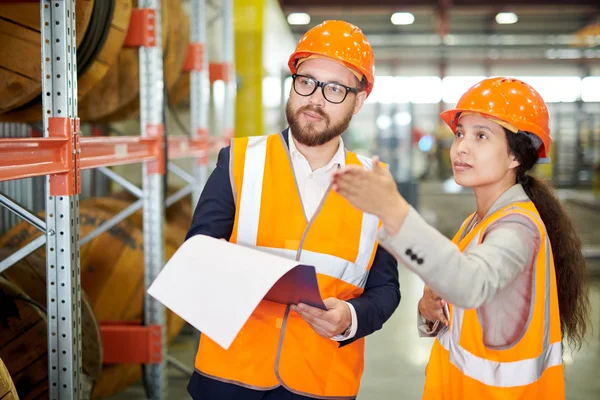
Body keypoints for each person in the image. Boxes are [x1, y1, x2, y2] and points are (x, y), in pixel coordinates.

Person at [332, 77, 590, 399]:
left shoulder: (519, 229)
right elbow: (463, 304)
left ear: (516, 156)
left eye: (481, 135)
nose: (461, 147)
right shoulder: (476, 223)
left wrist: (395, 211)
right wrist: (428, 310)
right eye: (459, 134)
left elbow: (470, 284)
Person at [185, 20, 400, 400]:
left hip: (321, 382)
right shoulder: (238, 162)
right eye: (307, 82)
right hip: (229, 379)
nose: (315, 99)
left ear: (359, 100)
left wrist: (349, 319)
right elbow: (196, 258)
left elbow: (386, 290)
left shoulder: (376, 185)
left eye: (335, 89)